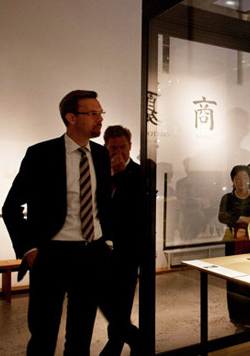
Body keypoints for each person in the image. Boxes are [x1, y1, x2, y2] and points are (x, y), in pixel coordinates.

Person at [2, 90, 113, 356]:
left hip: (91, 253)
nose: (100, 119)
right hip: (52, 255)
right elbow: (11, 207)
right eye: (93, 114)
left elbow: (103, 204)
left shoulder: (100, 154)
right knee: (43, 334)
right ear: (71, 118)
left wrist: (106, 241)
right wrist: (29, 249)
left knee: (81, 335)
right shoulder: (41, 154)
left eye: (101, 113)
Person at [100, 125, 143, 356]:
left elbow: (137, 208)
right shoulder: (98, 171)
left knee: (123, 302)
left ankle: (115, 346)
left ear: (131, 147)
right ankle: (136, 338)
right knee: (103, 297)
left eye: (122, 147)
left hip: (129, 249)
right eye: (113, 147)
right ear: (105, 147)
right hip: (101, 247)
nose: (118, 152)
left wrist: (122, 174)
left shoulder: (140, 172)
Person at [218, 165, 250, 330]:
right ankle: (236, 316)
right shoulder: (227, 198)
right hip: (233, 241)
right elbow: (222, 216)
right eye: (237, 178)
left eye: (244, 178)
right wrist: (240, 218)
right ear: (233, 180)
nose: (241, 181)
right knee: (233, 279)